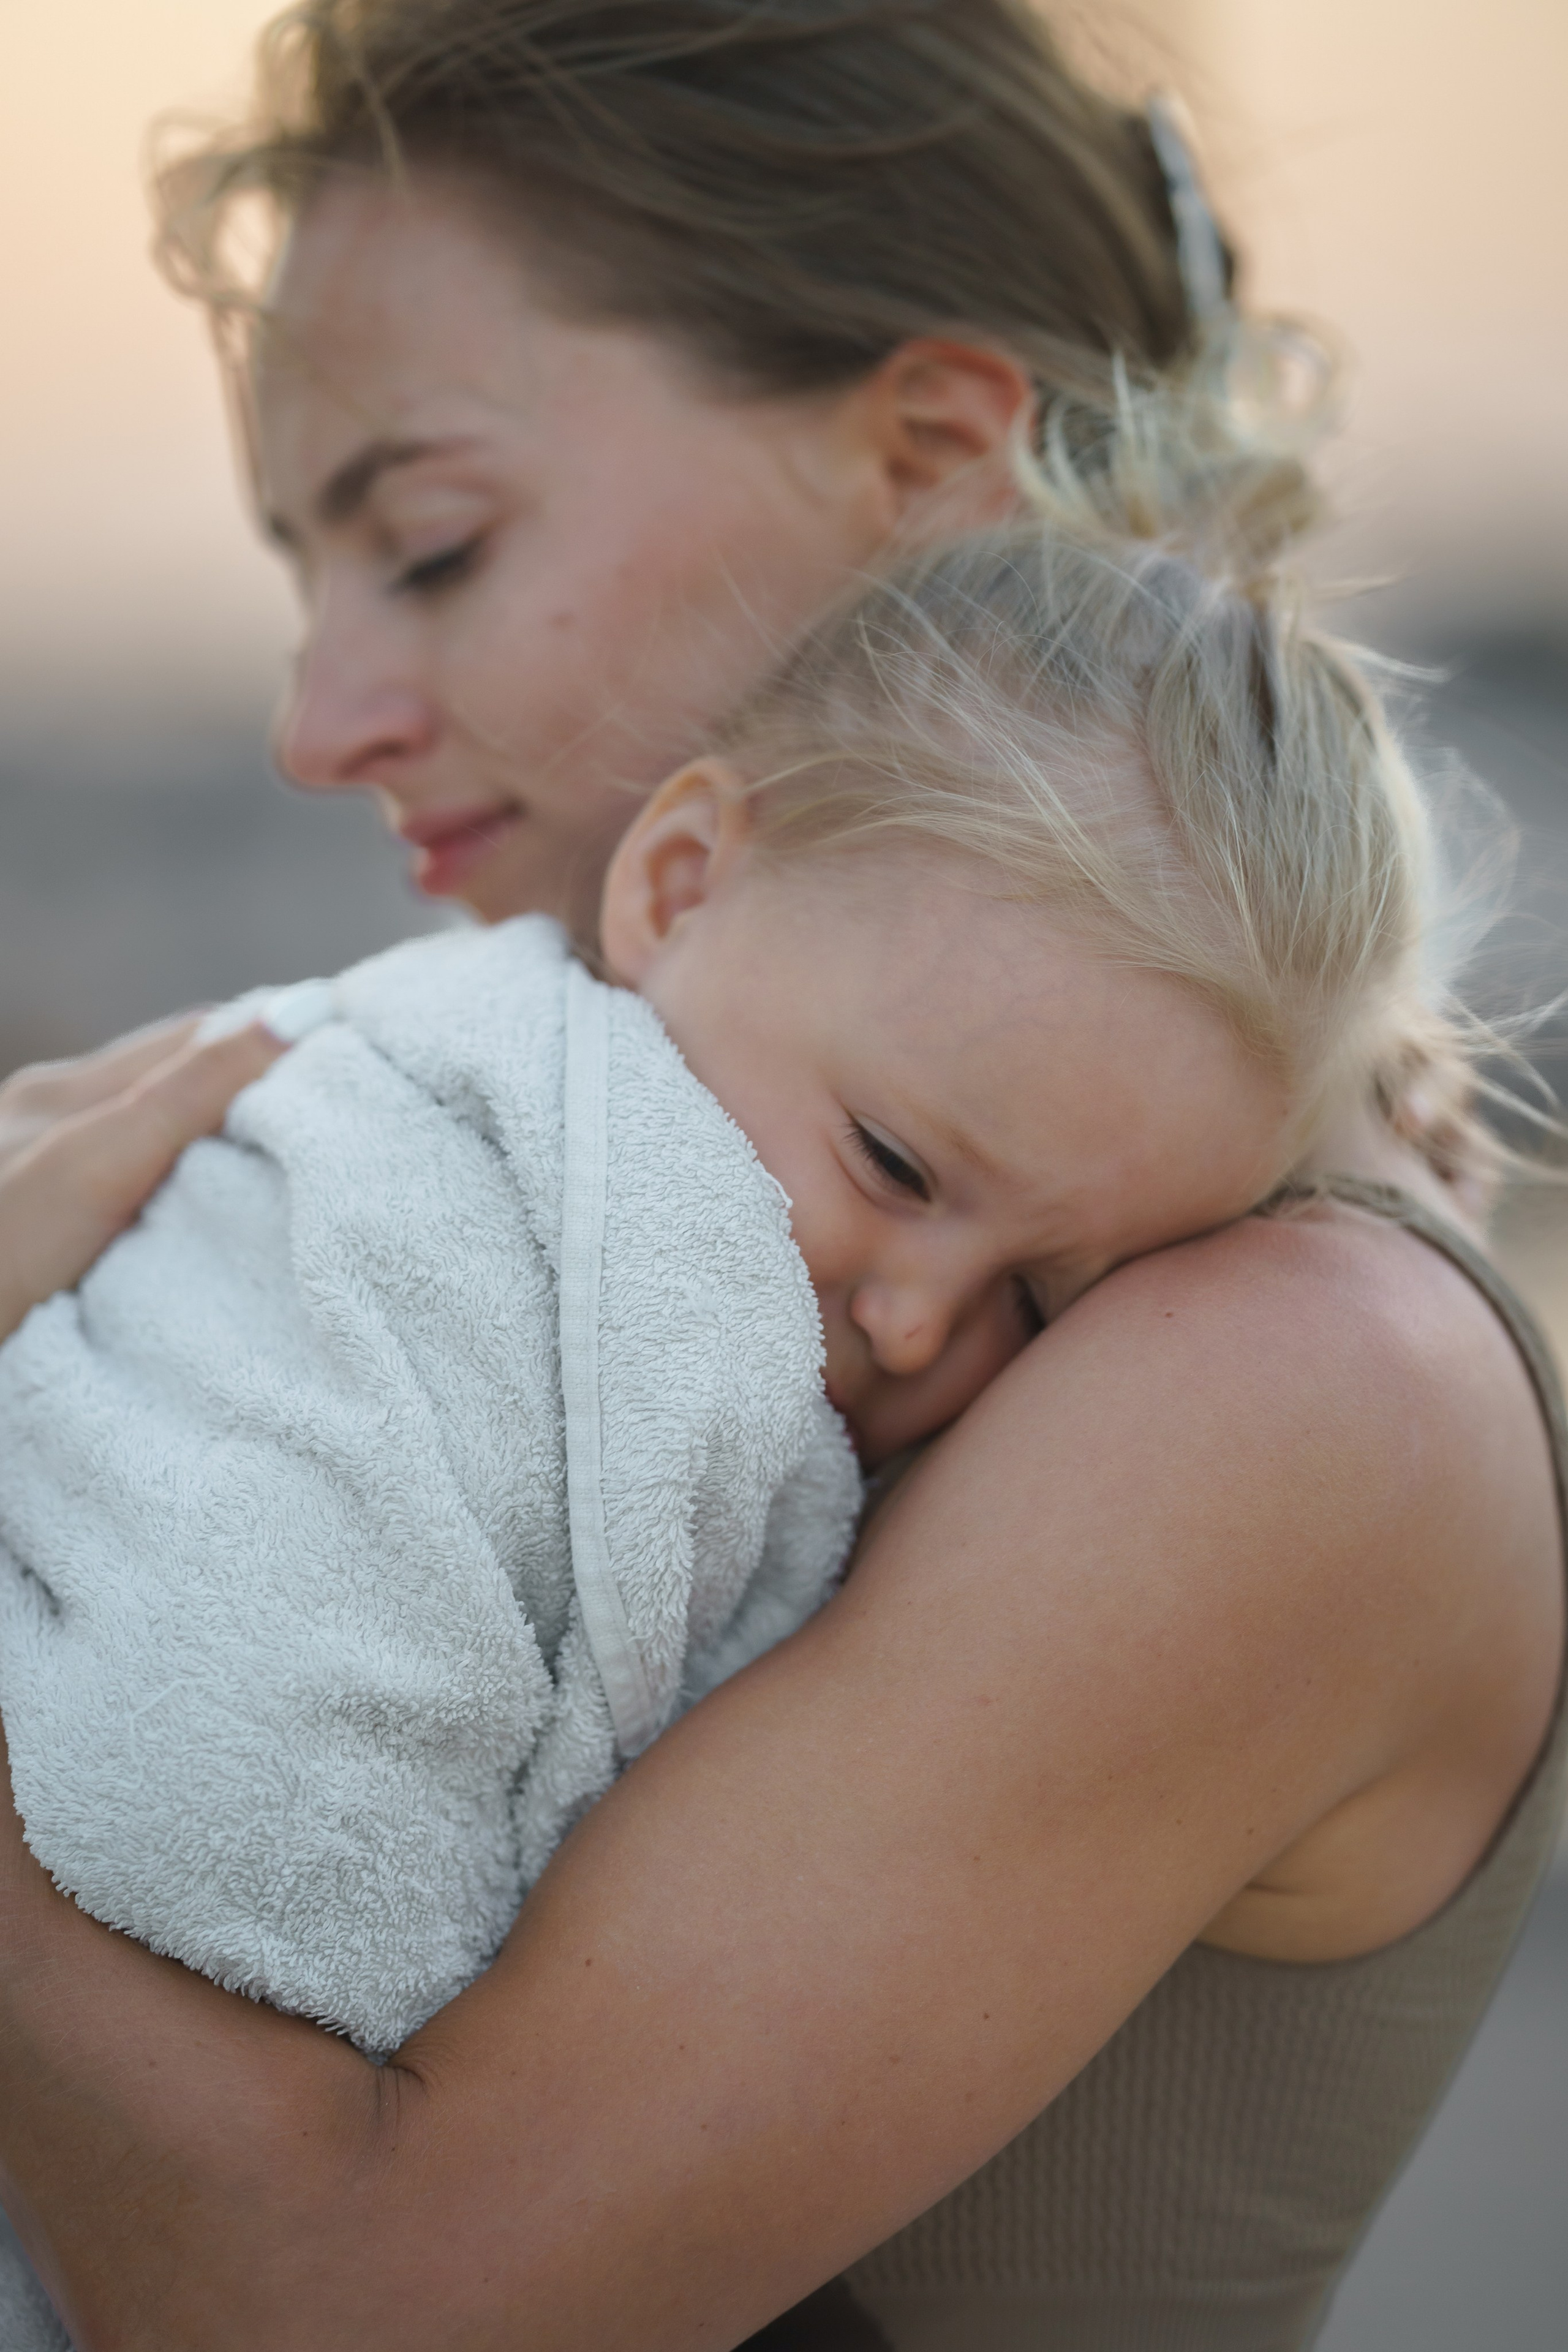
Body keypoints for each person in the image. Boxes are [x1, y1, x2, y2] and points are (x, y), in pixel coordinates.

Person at [0, 6, 1561, 2349]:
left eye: (432, 543)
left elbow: (328, 2305)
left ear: (933, 458)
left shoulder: (1288, 1367)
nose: (322, 719)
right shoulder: (668, 1189)